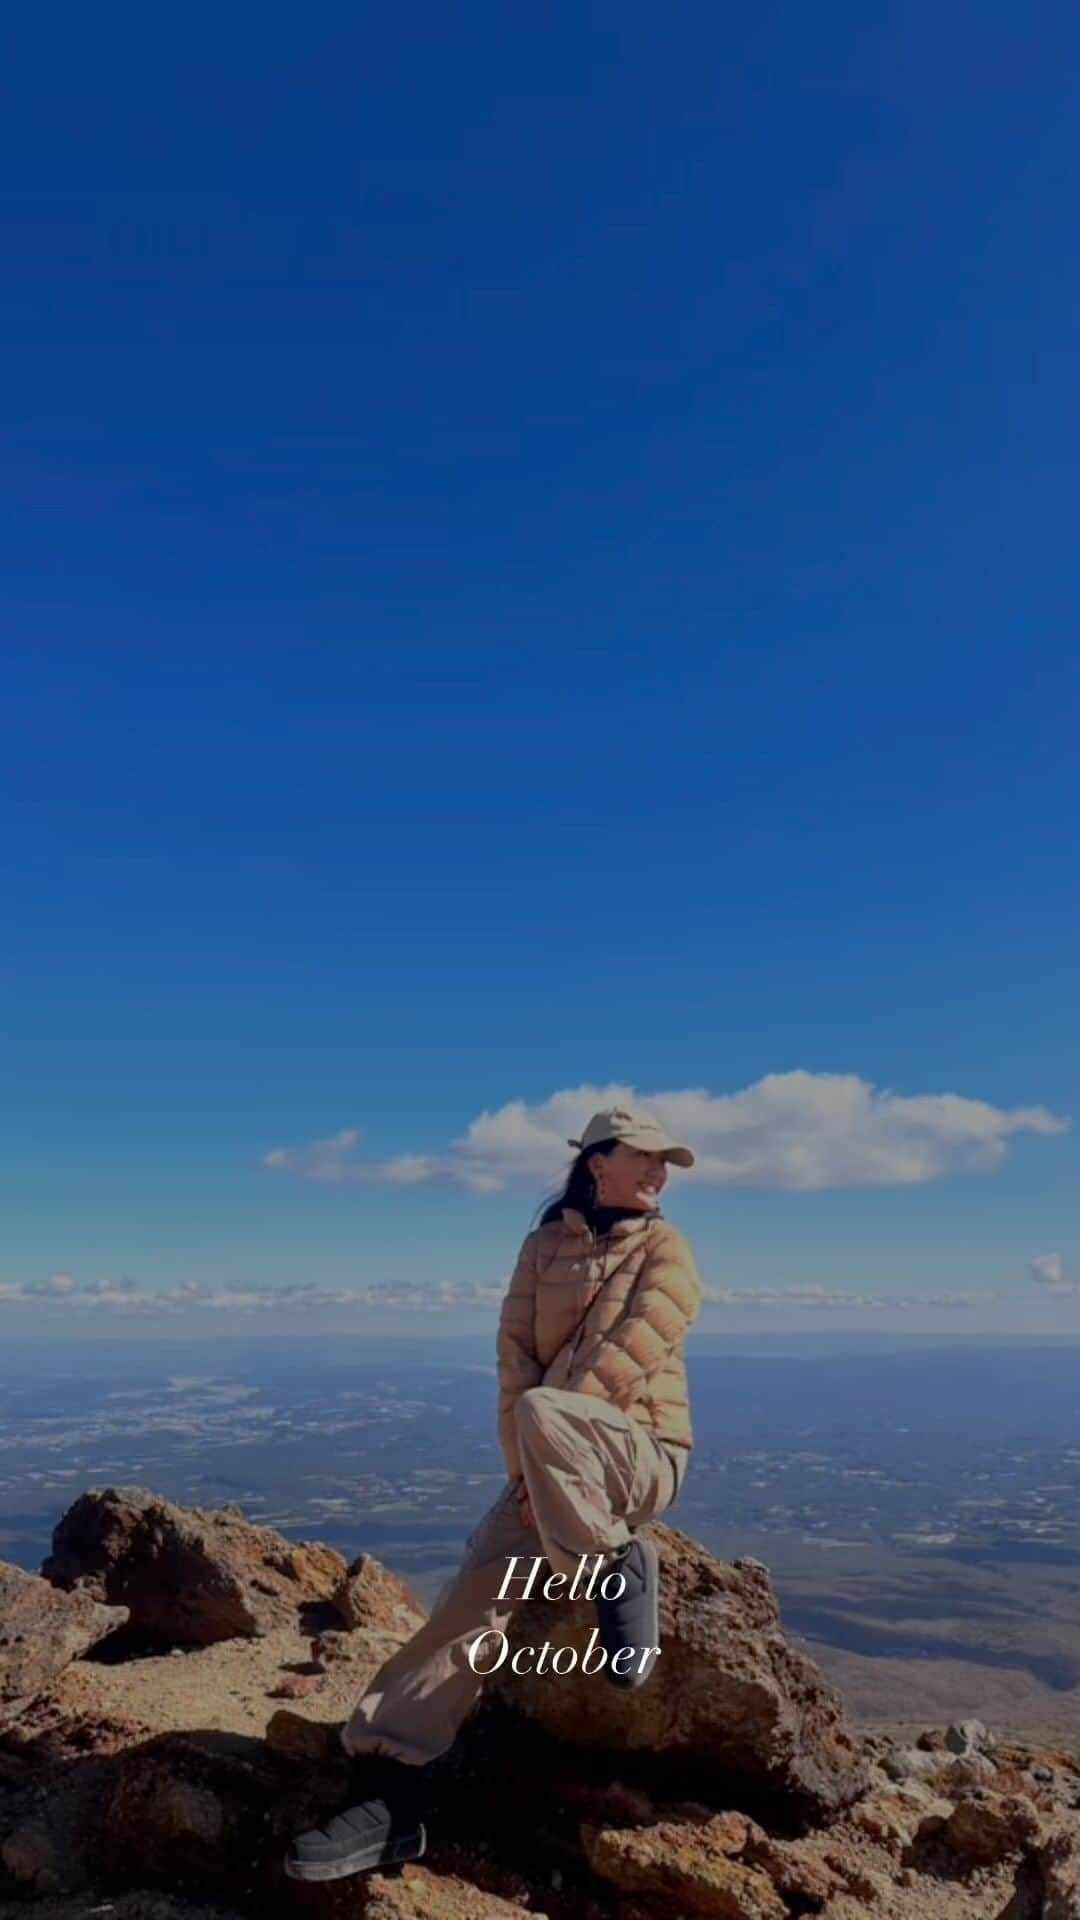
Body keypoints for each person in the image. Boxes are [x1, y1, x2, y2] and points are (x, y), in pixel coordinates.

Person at [285, 1102, 702, 1883]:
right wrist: (528, 1477)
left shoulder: (668, 1250)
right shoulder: (541, 1248)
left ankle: (616, 1562)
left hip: (637, 1456)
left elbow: (633, 1354)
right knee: (471, 1600)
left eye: (665, 1163)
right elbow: (514, 1361)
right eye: (643, 1156)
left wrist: (549, 1451)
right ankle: (388, 1796)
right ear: (596, 1163)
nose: (658, 1172)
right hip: (549, 1473)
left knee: (551, 1409)